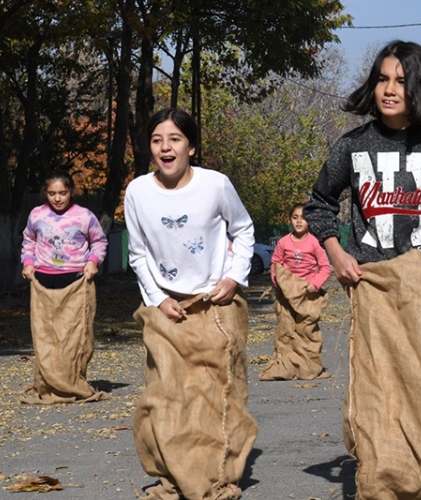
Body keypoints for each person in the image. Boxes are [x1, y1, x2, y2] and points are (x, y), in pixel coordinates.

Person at [301, 40, 421, 499]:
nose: (389, 89)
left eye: (401, 81)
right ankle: (388, 479)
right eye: (383, 79)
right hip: (375, 286)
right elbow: (320, 204)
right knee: (381, 390)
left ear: (419, 86)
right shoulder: (352, 146)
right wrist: (336, 253)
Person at [124, 107, 258, 500]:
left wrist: (233, 278)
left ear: (192, 147)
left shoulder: (215, 185)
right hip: (165, 309)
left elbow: (244, 229)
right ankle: (171, 476)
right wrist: (158, 299)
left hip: (214, 306)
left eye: (175, 139)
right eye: (157, 140)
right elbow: (138, 254)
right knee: (164, 397)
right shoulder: (137, 191)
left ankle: (217, 475)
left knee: (218, 395)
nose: (165, 147)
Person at [19, 169, 108, 405]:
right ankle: (48, 383)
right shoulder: (37, 215)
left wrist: (92, 262)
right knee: (46, 336)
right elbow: (28, 240)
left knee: (74, 336)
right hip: (43, 282)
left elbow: (99, 241)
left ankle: (72, 383)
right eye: (52, 193)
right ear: (45, 194)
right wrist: (28, 263)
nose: (57, 198)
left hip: (76, 282)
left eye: (62, 193)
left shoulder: (84, 216)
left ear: (71, 192)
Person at [260, 203, 333, 381]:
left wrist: (315, 284)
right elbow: (276, 264)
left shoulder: (314, 242)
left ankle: (310, 367)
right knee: (285, 330)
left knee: (306, 330)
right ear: (290, 220)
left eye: (303, 218)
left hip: (307, 294)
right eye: (295, 218)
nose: (299, 221)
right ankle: (286, 367)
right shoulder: (284, 242)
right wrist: (278, 281)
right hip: (286, 293)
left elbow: (325, 267)